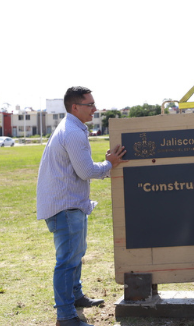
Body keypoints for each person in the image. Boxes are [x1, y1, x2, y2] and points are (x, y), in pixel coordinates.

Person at [37, 86, 128, 326]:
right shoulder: (73, 133)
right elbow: (86, 171)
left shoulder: (71, 128)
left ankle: (75, 298)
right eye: (90, 105)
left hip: (68, 205)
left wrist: (108, 163)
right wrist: (110, 164)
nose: (95, 109)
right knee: (67, 261)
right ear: (75, 107)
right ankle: (66, 316)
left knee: (75, 255)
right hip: (65, 207)